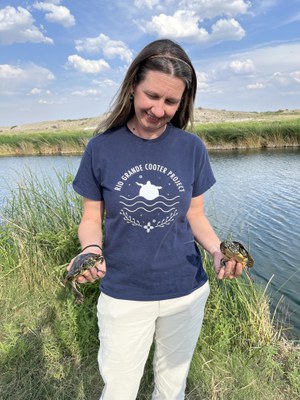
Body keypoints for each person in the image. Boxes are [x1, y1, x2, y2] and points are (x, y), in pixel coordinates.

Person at [68, 38, 243, 400]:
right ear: (133, 87)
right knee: (119, 389)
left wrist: (215, 252)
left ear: (183, 103)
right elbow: (90, 217)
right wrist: (90, 250)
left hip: (186, 290)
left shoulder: (191, 147)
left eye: (170, 101)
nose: (159, 109)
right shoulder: (100, 148)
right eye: (152, 96)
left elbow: (195, 215)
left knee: (171, 389)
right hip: (124, 293)